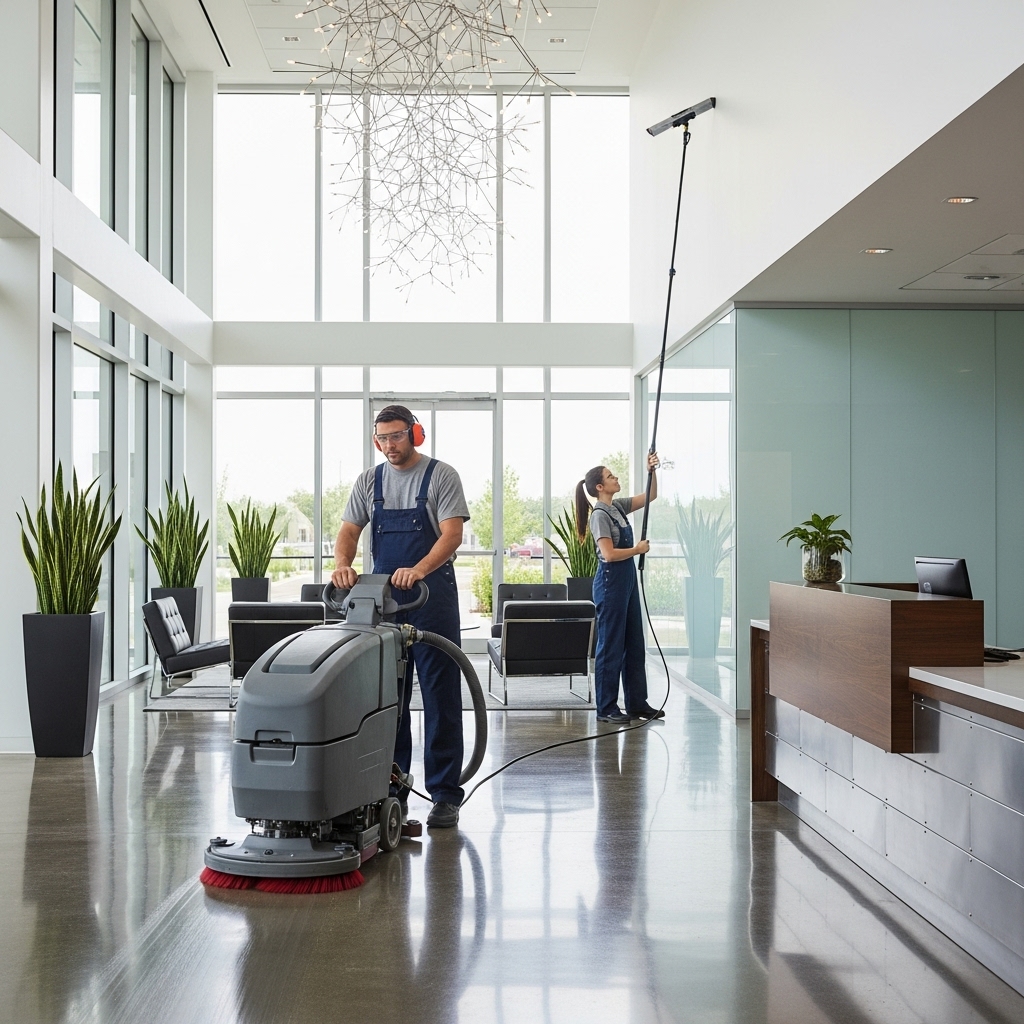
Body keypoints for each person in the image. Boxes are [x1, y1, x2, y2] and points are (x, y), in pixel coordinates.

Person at [333, 405, 470, 829]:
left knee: (440, 696)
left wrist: (420, 570)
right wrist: (342, 563)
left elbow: (452, 533)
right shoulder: (368, 481)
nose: (389, 446)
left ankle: (445, 793)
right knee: (387, 699)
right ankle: (391, 788)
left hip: (432, 598)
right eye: (382, 439)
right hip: (383, 604)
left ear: (415, 434)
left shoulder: (441, 475)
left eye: (396, 436)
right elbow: (350, 531)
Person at [577, 453, 665, 724]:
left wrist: (651, 469)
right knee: (611, 647)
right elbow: (609, 554)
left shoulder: (618, 507)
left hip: (626, 583)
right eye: (610, 476)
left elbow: (650, 496)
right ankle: (606, 708)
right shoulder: (600, 516)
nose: (615, 478)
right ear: (599, 488)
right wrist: (637, 550)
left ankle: (637, 703)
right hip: (610, 584)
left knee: (634, 644)